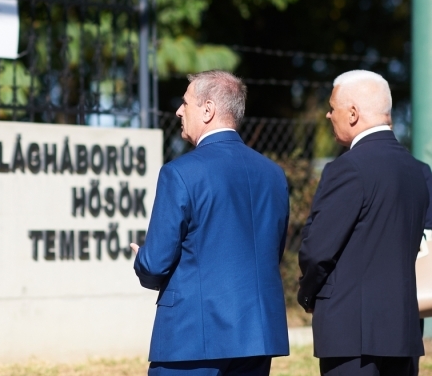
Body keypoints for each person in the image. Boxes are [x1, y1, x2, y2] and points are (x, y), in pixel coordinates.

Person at [132, 70, 290, 376]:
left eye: (185, 103)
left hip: (191, 338)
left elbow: (155, 265)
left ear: (208, 110)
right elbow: (272, 251)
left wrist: (141, 258)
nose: (179, 110)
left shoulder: (179, 173)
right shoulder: (273, 174)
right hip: (256, 337)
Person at [298, 70, 428, 376]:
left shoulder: (348, 168)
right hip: (404, 331)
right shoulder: (417, 172)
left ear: (353, 113)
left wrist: (307, 294)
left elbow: (318, 249)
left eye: (333, 107)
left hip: (350, 336)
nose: (328, 114)